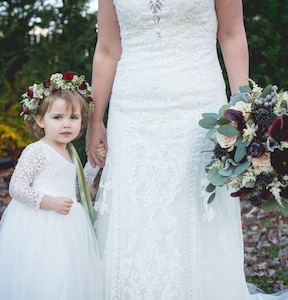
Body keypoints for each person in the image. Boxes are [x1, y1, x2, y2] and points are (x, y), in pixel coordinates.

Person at [85, 1, 288, 299]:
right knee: (134, 201)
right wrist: (95, 119)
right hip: (130, 109)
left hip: (196, 105)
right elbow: (107, 49)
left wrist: (243, 107)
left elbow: (231, 33)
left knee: (193, 202)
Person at [0, 72, 104, 300]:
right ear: (41, 120)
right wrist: (48, 202)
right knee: (42, 273)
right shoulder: (36, 151)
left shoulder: (70, 152)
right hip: (40, 223)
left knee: (65, 274)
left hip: (68, 224)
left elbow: (79, 187)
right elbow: (17, 187)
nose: (67, 124)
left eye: (74, 118)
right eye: (58, 117)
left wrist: (95, 163)